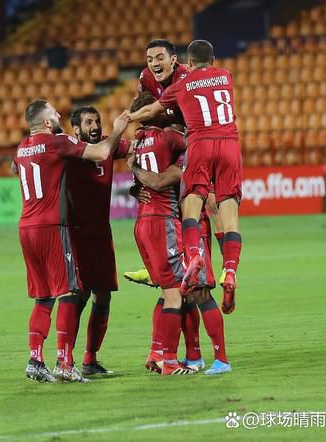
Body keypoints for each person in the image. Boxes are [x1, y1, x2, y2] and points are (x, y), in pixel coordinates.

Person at [14, 99, 129, 383]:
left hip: (26, 226)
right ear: (45, 122)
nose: (58, 115)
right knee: (68, 292)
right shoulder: (57, 142)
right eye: (54, 112)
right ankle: (65, 362)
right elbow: (102, 151)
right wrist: (117, 129)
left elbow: (17, 168)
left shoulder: (22, 147)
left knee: (43, 296)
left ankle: (35, 359)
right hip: (52, 227)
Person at [128, 40, 242, 314]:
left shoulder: (182, 81)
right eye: (149, 59)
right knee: (223, 208)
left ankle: (194, 258)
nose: (154, 64)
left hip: (192, 143)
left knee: (199, 203)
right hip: (223, 144)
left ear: (180, 61)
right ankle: (229, 269)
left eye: (159, 58)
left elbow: (150, 110)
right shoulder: (224, 75)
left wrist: (126, 119)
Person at [128, 136, 231, 376]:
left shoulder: (194, 160)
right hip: (180, 232)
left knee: (200, 293)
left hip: (197, 231)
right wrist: (136, 187)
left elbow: (213, 206)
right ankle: (192, 356)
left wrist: (227, 259)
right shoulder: (176, 156)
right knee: (179, 294)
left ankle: (221, 359)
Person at [125, 92, 195, 376]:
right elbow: (195, 144)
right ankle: (170, 361)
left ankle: (156, 353)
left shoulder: (136, 143)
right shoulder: (170, 139)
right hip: (163, 221)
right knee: (176, 293)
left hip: (141, 223)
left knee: (164, 293)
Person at [66, 105, 132, 376]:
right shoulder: (67, 150)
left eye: (97, 121)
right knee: (78, 294)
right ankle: (64, 358)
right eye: (88, 123)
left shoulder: (110, 144)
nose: (94, 126)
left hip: (102, 234)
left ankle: (90, 359)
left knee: (103, 294)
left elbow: (139, 146)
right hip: (76, 234)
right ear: (76, 129)